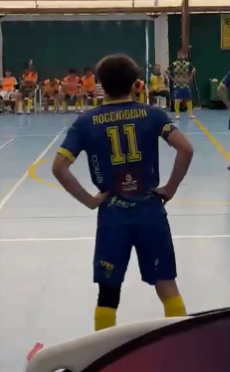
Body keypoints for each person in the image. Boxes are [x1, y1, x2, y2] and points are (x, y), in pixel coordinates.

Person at [51, 54, 194, 331]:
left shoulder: (86, 122)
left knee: (108, 293)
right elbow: (185, 148)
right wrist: (170, 188)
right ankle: (181, 346)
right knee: (167, 285)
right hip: (150, 211)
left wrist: (90, 201)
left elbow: (59, 167)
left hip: (113, 214)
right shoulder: (152, 114)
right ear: (135, 82)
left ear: (101, 83)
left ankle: (105, 352)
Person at [168, 50, 196, 120]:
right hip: (177, 84)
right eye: (179, 55)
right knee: (177, 99)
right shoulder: (174, 64)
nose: (181, 56)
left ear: (184, 56)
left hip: (185, 84)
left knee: (188, 99)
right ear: (177, 56)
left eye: (182, 55)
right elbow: (166, 71)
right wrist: (172, 78)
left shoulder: (187, 64)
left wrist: (189, 78)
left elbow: (194, 70)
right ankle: (177, 114)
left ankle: (190, 114)